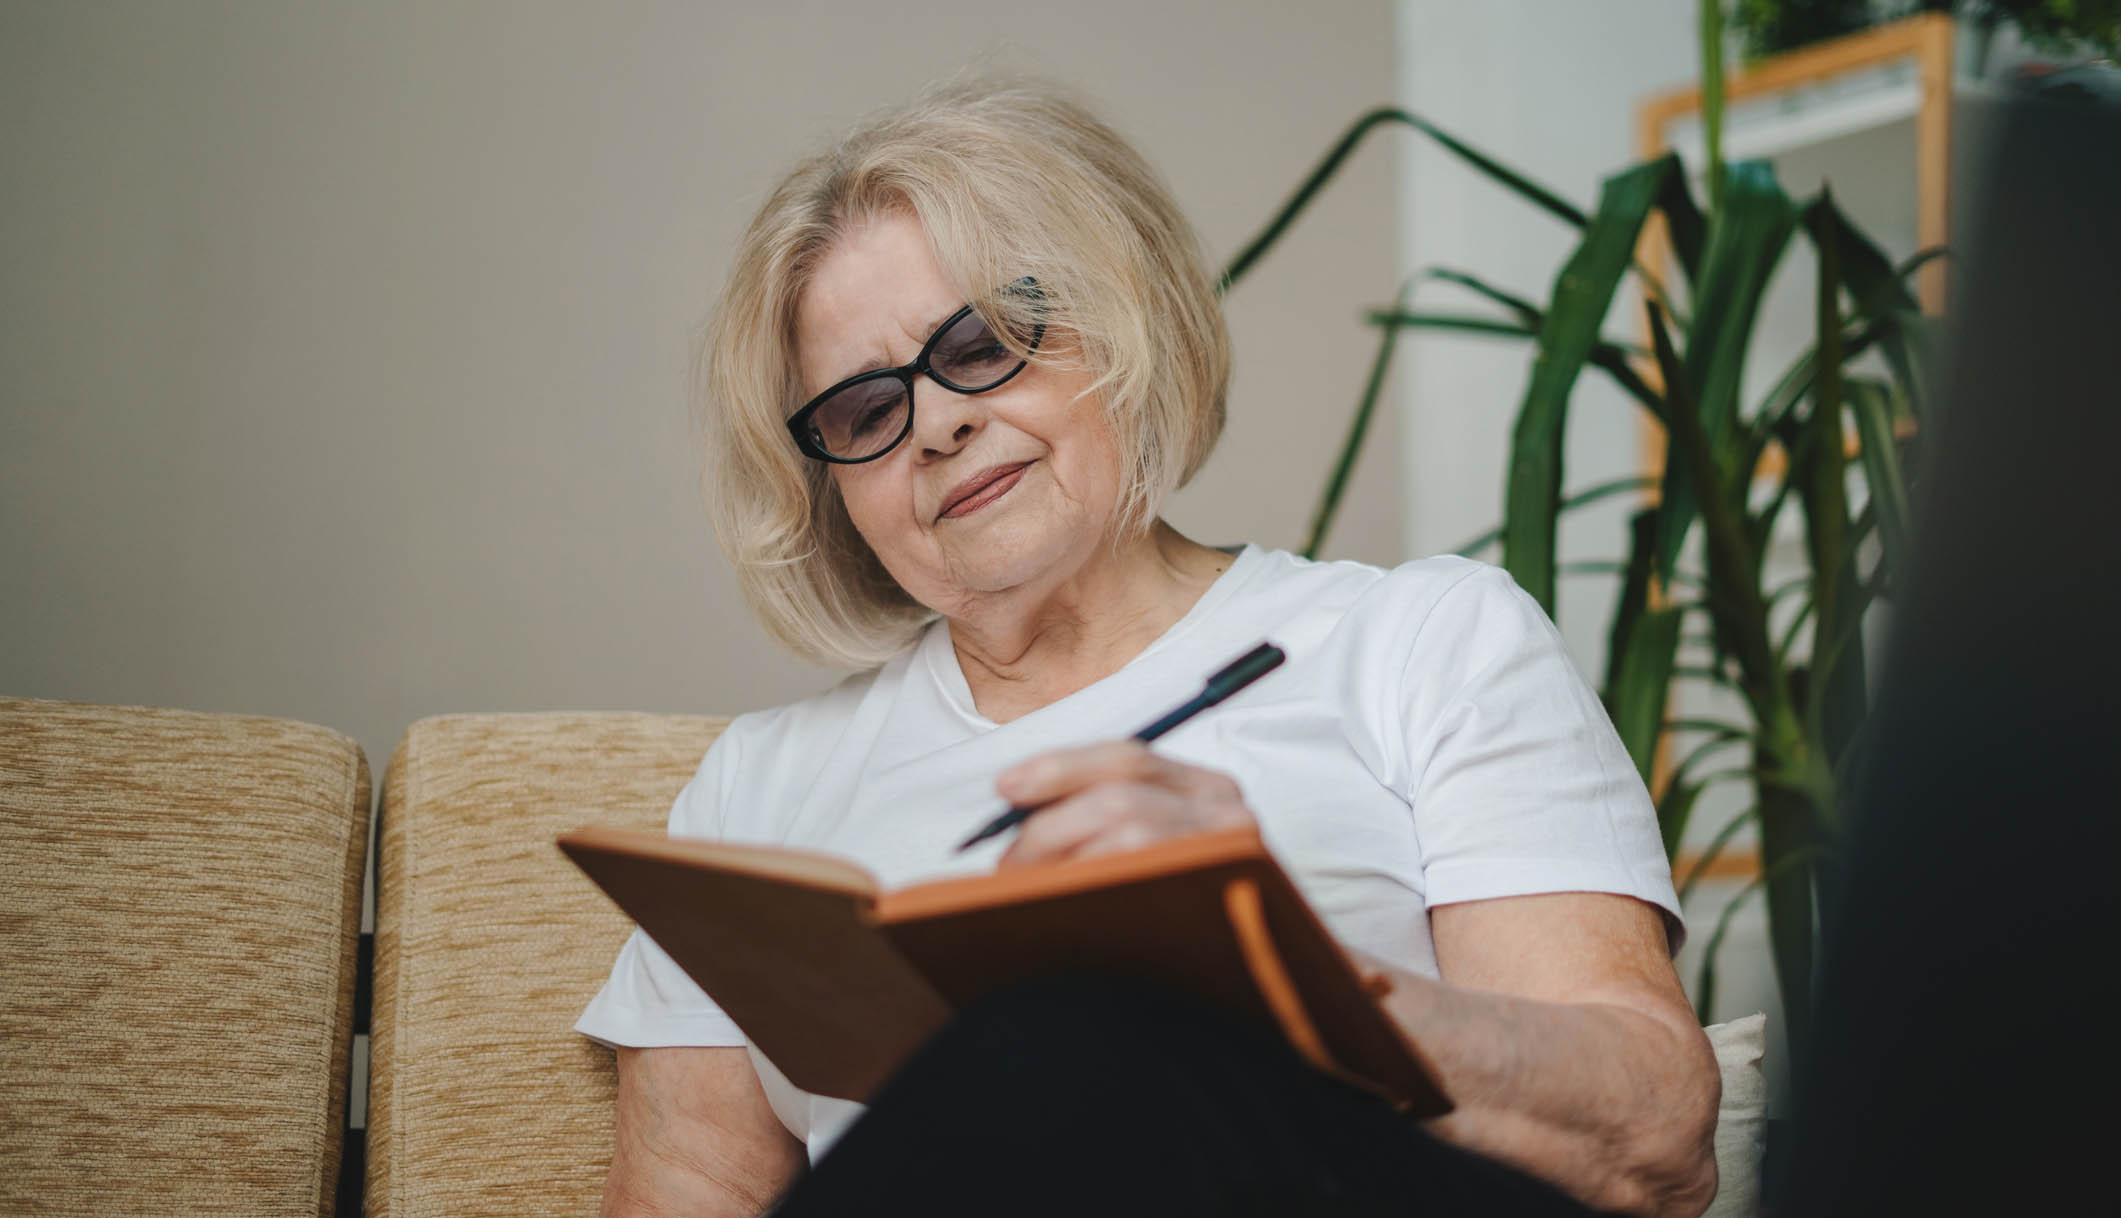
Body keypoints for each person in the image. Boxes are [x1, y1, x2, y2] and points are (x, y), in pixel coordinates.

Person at [577, 76, 1720, 1218]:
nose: (935, 424)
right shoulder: (756, 796)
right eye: (867, 414)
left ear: (1123, 314)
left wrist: (1279, 979)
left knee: (1073, 1025)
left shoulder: (1424, 644)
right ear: (829, 488)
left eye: (983, 342)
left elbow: (1652, 1146)